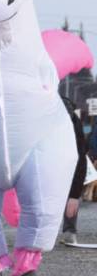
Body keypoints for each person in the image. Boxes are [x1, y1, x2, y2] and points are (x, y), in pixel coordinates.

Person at [61, 97, 90, 245]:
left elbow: (81, 157)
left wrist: (75, 195)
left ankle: (69, 230)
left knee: (71, 200)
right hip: (53, 159)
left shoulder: (75, 124)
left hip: (71, 162)